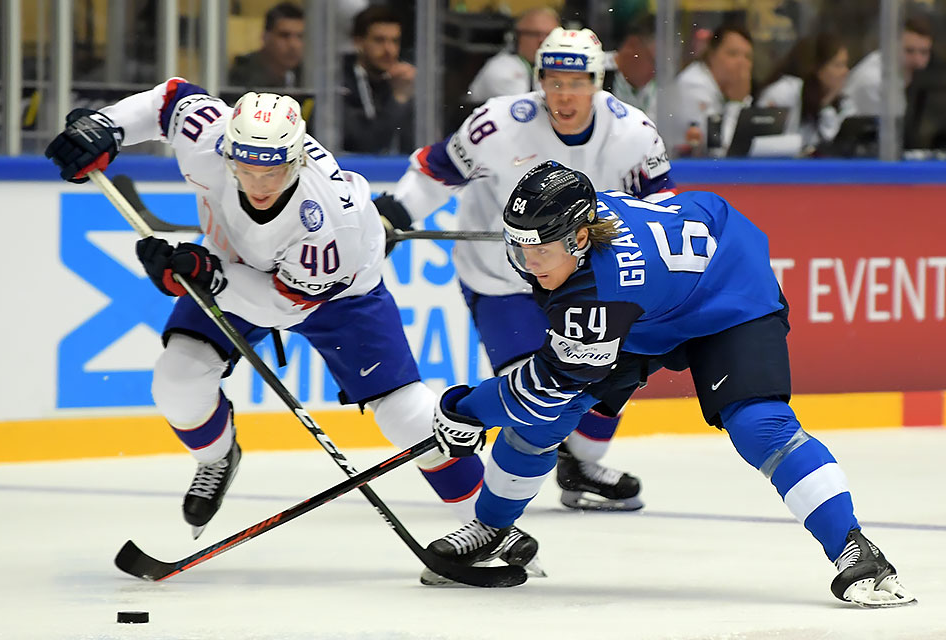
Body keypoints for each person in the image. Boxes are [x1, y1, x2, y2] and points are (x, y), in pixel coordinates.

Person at [43, 80, 538, 571]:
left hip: (340, 294)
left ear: (298, 157)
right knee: (176, 381)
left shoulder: (329, 224)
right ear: (227, 148)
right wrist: (105, 128)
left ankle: (493, 526)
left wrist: (205, 276)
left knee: (405, 415)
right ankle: (218, 457)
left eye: (273, 168)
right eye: (245, 165)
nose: (258, 183)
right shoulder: (210, 139)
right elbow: (170, 99)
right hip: (233, 263)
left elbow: (284, 307)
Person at [425, 160, 917, 608]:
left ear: (578, 238)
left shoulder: (600, 292)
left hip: (729, 292)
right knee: (549, 417)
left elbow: (539, 388)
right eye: (519, 246)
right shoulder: (577, 247)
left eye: (540, 250)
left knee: (759, 426)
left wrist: (461, 410)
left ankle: (855, 549)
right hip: (652, 305)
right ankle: (491, 528)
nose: (528, 264)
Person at [376, 27, 675, 520]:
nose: (564, 94)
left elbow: (661, 210)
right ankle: (507, 493)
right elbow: (437, 171)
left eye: (576, 81)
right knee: (531, 391)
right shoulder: (498, 124)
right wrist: (394, 214)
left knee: (605, 383)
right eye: (553, 81)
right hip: (504, 278)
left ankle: (578, 465)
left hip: (592, 281)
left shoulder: (635, 134)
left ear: (598, 82)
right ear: (537, 80)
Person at [661, 23, 754, 157]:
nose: (742, 63)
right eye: (733, 54)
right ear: (711, 54)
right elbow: (721, 150)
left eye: (748, 57)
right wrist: (737, 103)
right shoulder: (693, 85)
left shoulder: (722, 89)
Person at [757, 33, 855, 155]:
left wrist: (826, 105)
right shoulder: (783, 92)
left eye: (846, 65)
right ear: (817, 69)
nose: (845, 72)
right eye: (838, 65)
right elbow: (769, 145)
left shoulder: (842, 100)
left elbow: (834, 144)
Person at [342, 5, 416, 154]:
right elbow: (363, 144)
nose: (389, 49)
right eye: (379, 40)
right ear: (358, 42)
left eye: (394, 41)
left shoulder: (405, 80)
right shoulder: (340, 82)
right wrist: (398, 100)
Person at [466, 7, 561, 104]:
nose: (543, 41)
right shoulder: (500, 69)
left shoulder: (553, 70)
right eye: (535, 34)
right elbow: (526, 109)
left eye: (550, 35)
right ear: (515, 37)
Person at [845, 14, 932, 119]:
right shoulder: (874, 80)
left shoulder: (904, 77)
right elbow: (887, 131)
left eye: (924, 52)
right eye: (909, 51)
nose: (917, 60)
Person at [227, 2, 305, 89]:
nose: (293, 45)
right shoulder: (240, 76)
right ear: (265, 37)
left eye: (300, 36)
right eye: (284, 35)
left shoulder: (307, 75)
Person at [604, 13, 657, 116]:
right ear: (632, 45)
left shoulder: (656, 90)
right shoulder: (593, 73)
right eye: (653, 62)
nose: (654, 72)